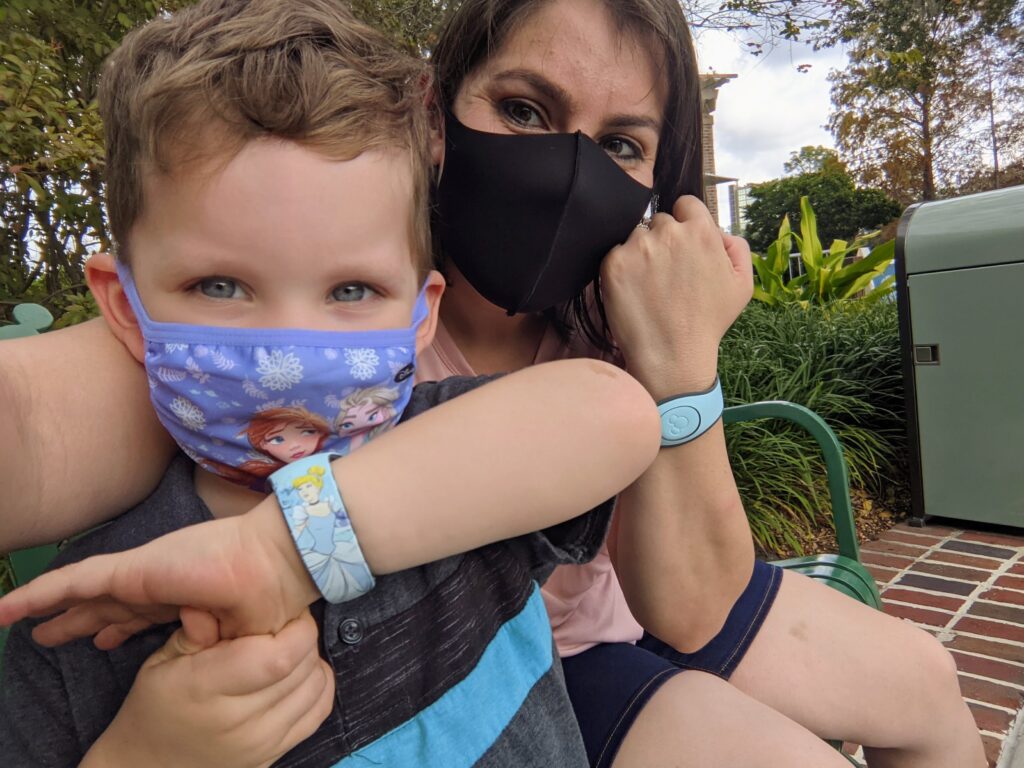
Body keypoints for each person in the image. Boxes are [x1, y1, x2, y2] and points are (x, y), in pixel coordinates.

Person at [0, 0, 985, 765]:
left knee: (935, 682)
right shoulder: (328, 326)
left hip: (619, 634)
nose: (567, 172)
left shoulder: (613, 312)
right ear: (437, 111)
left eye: (621, 145)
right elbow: (39, 421)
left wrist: (678, 361)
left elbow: (694, 603)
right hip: (493, 669)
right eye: (522, 109)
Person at [0, 1, 663, 765]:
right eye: (220, 286)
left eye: (351, 291)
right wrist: (146, 754)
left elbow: (612, 412)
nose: (293, 343)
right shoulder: (86, 620)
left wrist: (286, 551)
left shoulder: (466, 465)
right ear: (125, 305)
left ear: (422, 315)